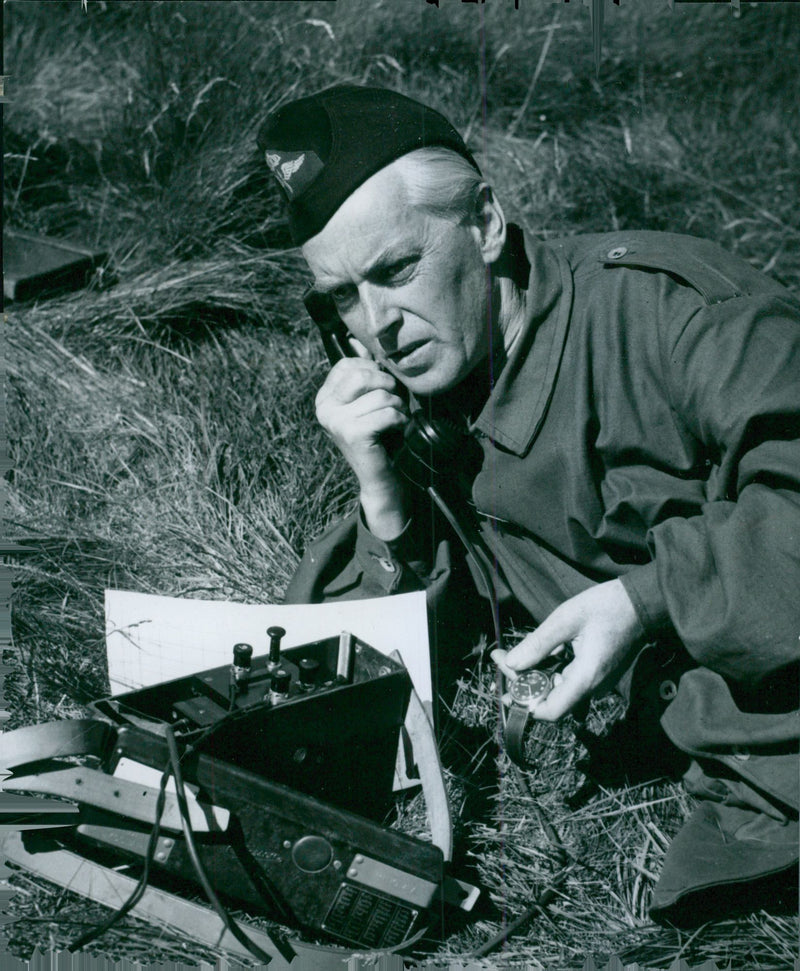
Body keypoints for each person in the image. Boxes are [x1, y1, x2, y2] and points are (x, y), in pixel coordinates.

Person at [258, 84, 799, 926]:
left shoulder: (675, 316)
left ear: (484, 225)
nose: (379, 328)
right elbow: (357, 689)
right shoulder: (430, 401)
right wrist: (383, 494)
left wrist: (646, 599)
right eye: (341, 299)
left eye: (398, 271)